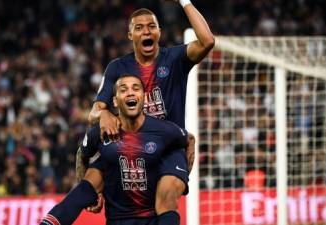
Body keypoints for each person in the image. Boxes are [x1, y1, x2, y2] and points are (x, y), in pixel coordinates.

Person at [80, 0, 215, 223]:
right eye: (139, 27)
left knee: (167, 198)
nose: (146, 31)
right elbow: (93, 113)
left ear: (159, 32)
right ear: (130, 35)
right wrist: (104, 114)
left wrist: (184, 1)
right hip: (129, 150)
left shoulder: (174, 59)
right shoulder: (117, 67)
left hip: (169, 149)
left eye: (151, 26)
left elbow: (208, 41)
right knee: (93, 192)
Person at [40, 75, 189, 225]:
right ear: (115, 101)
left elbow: (189, 140)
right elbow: (82, 154)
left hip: (152, 218)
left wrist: (182, 175)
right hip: (117, 219)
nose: (130, 93)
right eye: (123, 90)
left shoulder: (165, 131)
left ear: (144, 97)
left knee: (167, 197)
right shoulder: (100, 132)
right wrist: (93, 195)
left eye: (136, 89)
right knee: (98, 169)